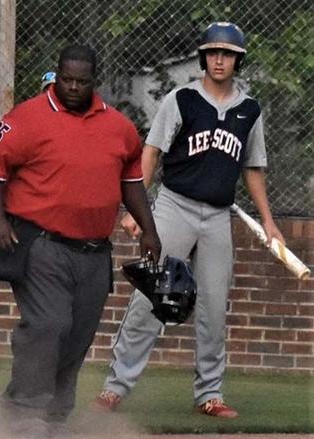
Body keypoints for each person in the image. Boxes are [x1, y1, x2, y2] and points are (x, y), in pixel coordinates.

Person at [94, 22, 285, 419]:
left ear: (237, 60)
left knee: (213, 309)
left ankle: (209, 394)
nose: (219, 60)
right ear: (203, 57)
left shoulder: (249, 110)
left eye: (227, 54)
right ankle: (114, 388)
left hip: (217, 216)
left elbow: (253, 167)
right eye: (213, 52)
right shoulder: (181, 99)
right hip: (174, 207)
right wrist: (138, 211)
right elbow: (152, 152)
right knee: (150, 298)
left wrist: (269, 222)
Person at [0, 45, 161, 438]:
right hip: (40, 242)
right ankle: (23, 412)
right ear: (57, 75)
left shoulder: (119, 127)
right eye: (67, 79)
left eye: (82, 81)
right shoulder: (26, 118)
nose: (73, 87)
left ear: (95, 80)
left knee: (78, 334)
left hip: (94, 251)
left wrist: (149, 229)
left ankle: (54, 416)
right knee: (48, 324)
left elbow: (131, 183)